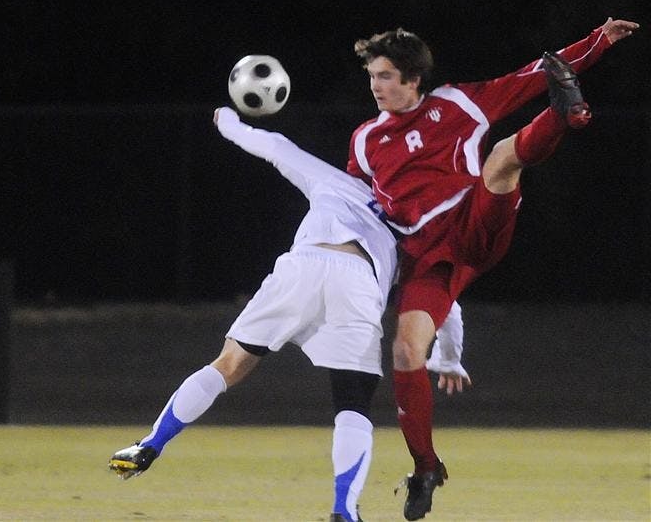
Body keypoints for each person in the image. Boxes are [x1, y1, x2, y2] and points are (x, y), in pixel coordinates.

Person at [108, 106, 467, 522]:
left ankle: (150, 444)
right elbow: (442, 295)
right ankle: (343, 511)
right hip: (358, 282)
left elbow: (278, 147)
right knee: (352, 404)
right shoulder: (417, 222)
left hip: (304, 265)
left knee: (228, 364)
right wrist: (451, 355)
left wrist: (228, 123)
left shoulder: (339, 181)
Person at [347, 17, 638, 520]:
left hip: (474, 220)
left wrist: (599, 41)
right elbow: (353, 205)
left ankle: (564, 116)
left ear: (415, 79)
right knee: (404, 349)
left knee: (503, 157)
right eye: (373, 76)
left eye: (387, 75)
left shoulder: (459, 104)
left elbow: (536, 71)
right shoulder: (364, 142)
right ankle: (425, 468)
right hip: (427, 259)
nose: (377, 85)